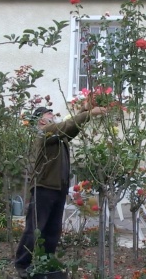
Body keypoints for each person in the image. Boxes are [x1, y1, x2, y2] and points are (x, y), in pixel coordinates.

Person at [15, 104, 106, 278]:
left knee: (53, 229)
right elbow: (65, 126)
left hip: (58, 188)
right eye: (49, 113)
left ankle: (47, 263)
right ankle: (22, 264)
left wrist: (83, 113)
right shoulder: (44, 133)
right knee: (35, 228)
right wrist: (88, 114)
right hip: (44, 187)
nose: (52, 114)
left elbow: (71, 129)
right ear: (41, 119)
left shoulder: (57, 136)